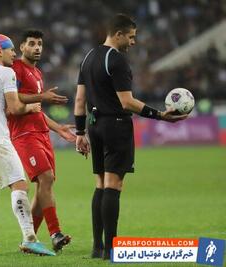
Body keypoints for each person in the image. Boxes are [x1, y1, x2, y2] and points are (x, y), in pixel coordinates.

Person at [73, 14, 188, 260]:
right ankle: (112, 250)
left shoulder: (88, 57)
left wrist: (80, 132)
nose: (133, 42)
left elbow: (80, 100)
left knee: (100, 184)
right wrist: (160, 115)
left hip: (94, 125)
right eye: (131, 37)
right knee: (114, 185)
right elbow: (127, 102)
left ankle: (97, 248)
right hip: (115, 125)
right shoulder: (117, 60)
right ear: (118, 34)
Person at [0, 33, 55, 256]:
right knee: (20, 186)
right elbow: (15, 108)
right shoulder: (6, 72)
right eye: (10, 50)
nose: (14, 54)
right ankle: (30, 237)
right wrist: (32, 106)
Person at [7, 29, 75, 252]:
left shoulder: (37, 74)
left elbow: (38, 110)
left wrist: (58, 128)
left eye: (40, 44)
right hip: (24, 135)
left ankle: (30, 241)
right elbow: (13, 101)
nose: (37, 48)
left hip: (41, 134)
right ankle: (55, 233)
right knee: (45, 178)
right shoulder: (14, 69)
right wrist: (42, 96)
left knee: (45, 183)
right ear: (22, 47)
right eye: (32, 44)